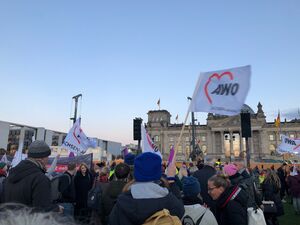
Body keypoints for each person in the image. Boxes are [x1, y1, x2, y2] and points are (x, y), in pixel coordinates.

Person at [109, 152, 184, 225]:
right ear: (158, 172)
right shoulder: (169, 200)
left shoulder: (123, 202)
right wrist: (171, 180)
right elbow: (180, 210)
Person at [3, 140, 61, 212]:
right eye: (47, 156)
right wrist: (56, 208)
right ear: (41, 158)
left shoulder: (9, 176)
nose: (48, 159)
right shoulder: (40, 179)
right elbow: (41, 211)